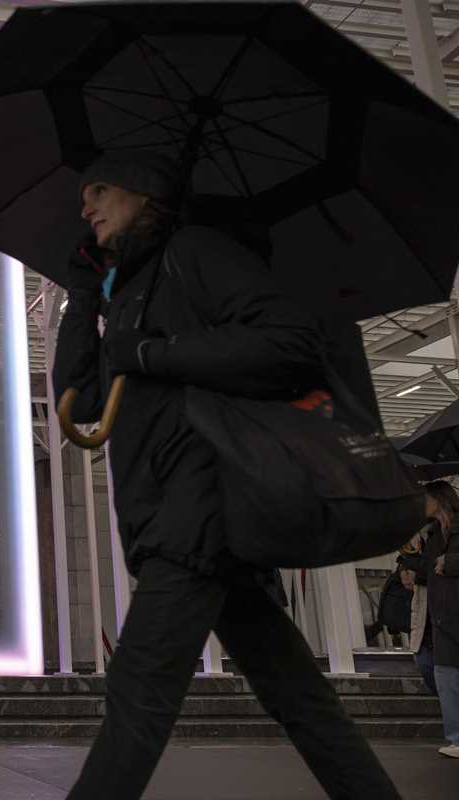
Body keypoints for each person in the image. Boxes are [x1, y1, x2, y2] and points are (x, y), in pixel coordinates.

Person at [51, 151, 412, 798]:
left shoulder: (195, 253)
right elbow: (78, 397)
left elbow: (289, 340)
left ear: (145, 191)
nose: (86, 206)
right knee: (297, 695)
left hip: (202, 509)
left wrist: (154, 352)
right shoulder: (129, 289)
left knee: (137, 692)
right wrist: (82, 294)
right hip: (187, 519)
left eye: (99, 189)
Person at [416, 481, 459, 758]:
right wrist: (406, 560)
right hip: (442, 614)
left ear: (439, 499)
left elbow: (445, 564)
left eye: (425, 498)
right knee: (445, 674)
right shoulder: (431, 535)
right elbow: (427, 571)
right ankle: (457, 739)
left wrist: (450, 562)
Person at [398, 525, 437, 694]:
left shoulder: (439, 535)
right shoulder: (417, 539)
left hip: (442, 621)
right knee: (425, 663)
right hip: (424, 624)